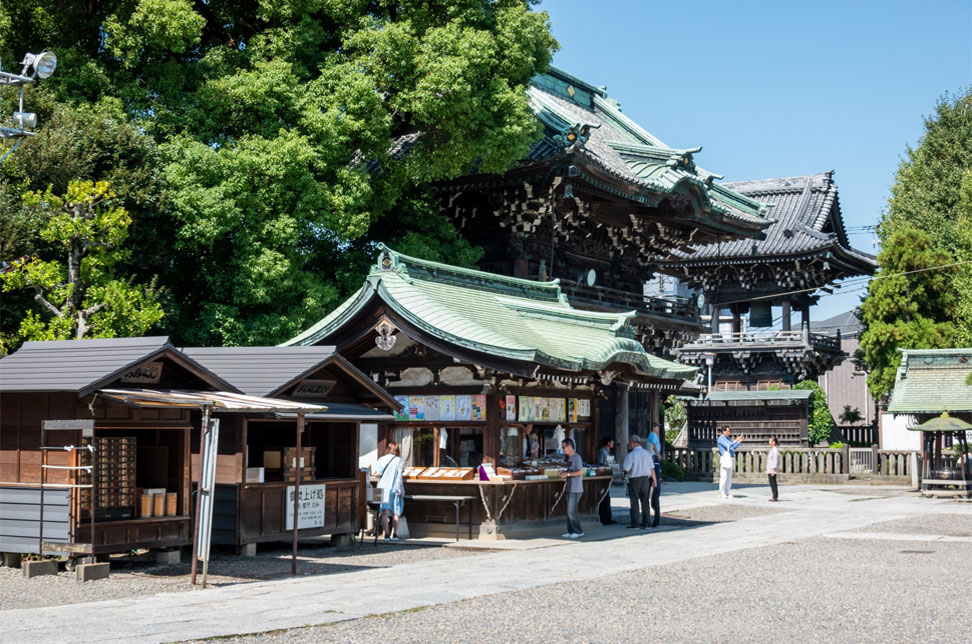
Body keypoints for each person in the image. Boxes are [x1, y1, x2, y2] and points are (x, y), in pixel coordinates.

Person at [622, 435, 656, 529]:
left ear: (632, 443)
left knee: (634, 502)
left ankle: (635, 523)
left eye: (630, 443)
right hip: (645, 479)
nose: (629, 445)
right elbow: (652, 469)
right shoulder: (647, 453)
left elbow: (626, 468)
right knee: (645, 501)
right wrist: (654, 480)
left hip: (634, 479)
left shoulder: (631, 455)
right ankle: (647, 523)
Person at [375, 442, 405, 540]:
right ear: (397, 450)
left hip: (383, 487)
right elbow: (400, 475)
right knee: (396, 512)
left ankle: (386, 535)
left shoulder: (381, 460)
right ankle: (395, 534)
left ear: (388, 449)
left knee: (385, 512)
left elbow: (378, 474)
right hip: (396, 488)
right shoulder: (399, 460)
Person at [560, 438, 585, 538]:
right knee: (569, 511)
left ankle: (578, 531)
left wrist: (568, 474)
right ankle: (571, 531)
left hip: (576, 488)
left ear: (570, 447)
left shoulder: (577, 457)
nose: (563, 449)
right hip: (570, 487)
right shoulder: (570, 458)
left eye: (564, 447)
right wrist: (565, 473)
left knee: (572, 511)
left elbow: (580, 471)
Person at [717, 425, 745, 499]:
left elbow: (733, 447)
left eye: (729, 431)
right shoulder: (720, 439)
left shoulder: (728, 438)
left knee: (729, 476)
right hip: (725, 457)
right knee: (724, 476)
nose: (729, 432)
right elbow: (728, 446)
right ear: (723, 431)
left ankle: (727, 492)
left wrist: (739, 441)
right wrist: (736, 440)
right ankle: (721, 492)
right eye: (728, 431)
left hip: (731, 457)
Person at [596, 436, 616, 525]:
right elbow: (599, 463)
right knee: (605, 498)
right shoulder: (602, 452)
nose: (613, 443)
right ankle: (605, 518)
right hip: (603, 476)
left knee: (606, 498)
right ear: (608, 442)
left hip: (608, 476)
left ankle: (607, 517)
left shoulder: (607, 452)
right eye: (612, 441)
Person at [648, 424, 663, 527]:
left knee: (654, 501)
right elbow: (653, 445)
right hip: (654, 480)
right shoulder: (652, 435)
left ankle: (653, 520)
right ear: (654, 427)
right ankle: (654, 520)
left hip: (654, 480)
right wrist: (657, 453)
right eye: (657, 427)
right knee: (654, 500)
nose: (658, 428)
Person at [767, 436, 780, 502]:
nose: (769, 443)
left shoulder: (774, 450)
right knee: (772, 482)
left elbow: (775, 460)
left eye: (770, 441)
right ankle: (775, 495)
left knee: (773, 483)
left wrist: (773, 469)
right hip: (770, 469)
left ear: (773, 442)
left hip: (772, 469)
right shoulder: (772, 450)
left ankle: (774, 496)